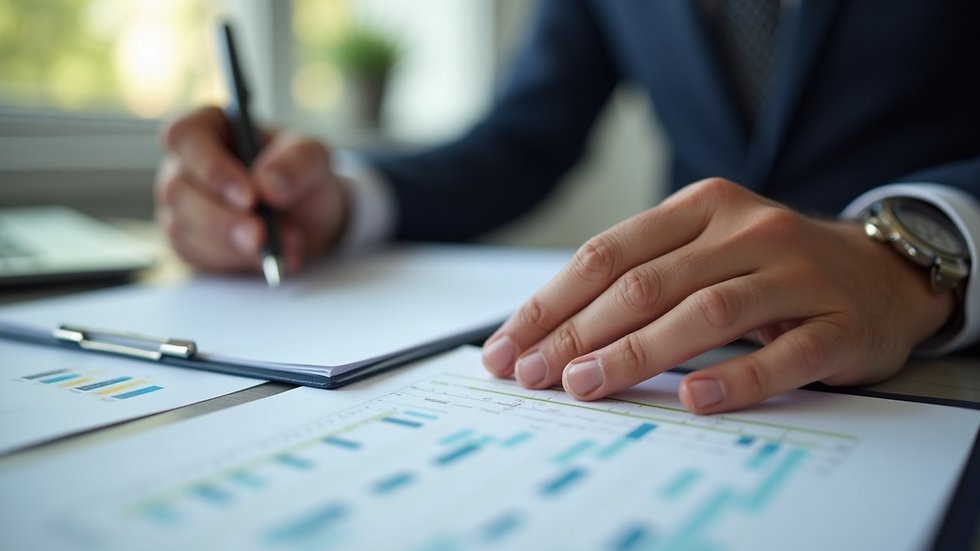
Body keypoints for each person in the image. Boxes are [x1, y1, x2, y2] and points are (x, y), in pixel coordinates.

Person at [155, 0, 980, 414]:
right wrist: (336, 204)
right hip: (689, 350)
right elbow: (523, 138)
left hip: (941, 368)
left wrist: (918, 247)